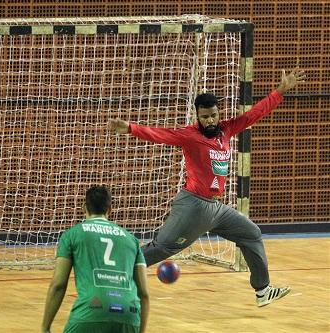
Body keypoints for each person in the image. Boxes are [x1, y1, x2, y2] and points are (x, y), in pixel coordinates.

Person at [108, 68, 306, 307]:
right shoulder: (189, 135)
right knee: (163, 248)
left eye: (213, 115)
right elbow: (160, 134)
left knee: (251, 233)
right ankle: (116, 274)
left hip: (215, 208)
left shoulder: (226, 130)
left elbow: (253, 114)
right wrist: (130, 128)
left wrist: (280, 91)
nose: (210, 120)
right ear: (197, 116)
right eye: (205, 117)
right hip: (193, 205)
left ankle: (262, 290)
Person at [41, 185, 150, 333]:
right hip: (129, 315)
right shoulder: (132, 240)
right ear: (109, 209)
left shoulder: (72, 235)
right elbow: (144, 293)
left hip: (90, 312)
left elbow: (58, 284)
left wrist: (45, 328)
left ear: (84, 207)